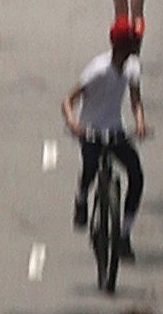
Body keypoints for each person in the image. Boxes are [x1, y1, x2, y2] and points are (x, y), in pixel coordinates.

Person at [60, 19, 148, 274]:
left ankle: (124, 234)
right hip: (90, 130)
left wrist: (140, 122)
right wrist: (74, 123)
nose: (137, 46)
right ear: (123, 45)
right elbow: (68, 100)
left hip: (115, 130)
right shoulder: (98, 70)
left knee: (136, 174)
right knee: (89, 167)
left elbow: (135, 100)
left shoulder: (132, 67)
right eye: (134, 42)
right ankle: (81, 199)